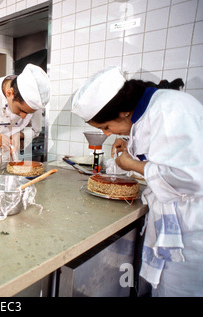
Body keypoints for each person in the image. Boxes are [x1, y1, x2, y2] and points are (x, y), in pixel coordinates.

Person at [71, 66, 203, 296]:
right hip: (172, 219)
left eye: (106, 127)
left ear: (123, 112)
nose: (108, 133)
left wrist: (133, 165)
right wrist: (130, 145)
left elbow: (191, 178)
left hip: (191, 228)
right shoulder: (151, 109)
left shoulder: (172, 110)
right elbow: (163, 154)